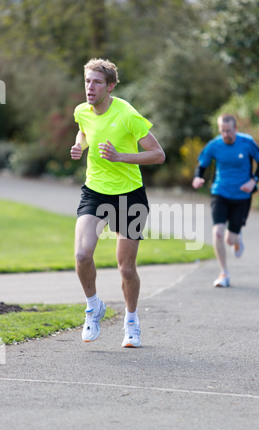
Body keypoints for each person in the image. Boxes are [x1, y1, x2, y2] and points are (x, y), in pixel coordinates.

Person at [71, 58, 165, 347]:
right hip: (95, 192)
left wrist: (121, 156)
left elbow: (158, 154)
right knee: (82, 254)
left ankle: (132, 321)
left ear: (109, 86)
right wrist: (80, 144)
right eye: (87, 81)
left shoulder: (127, 114)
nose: (90, 87)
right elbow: (86, 130)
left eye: (97, 82)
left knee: (126, 268)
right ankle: (93, 306)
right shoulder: (82, 111)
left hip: (129, 194)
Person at [192, 114, 259, 287]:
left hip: (242, 196)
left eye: (229, 131)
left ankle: (236, 238)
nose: (226, 134)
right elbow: (202, 165)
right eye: (222, 131)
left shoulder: (247, 142)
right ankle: (224, 273)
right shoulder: (214, 145)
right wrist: (197, 178)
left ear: (236, 129)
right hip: (220, 193)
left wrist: (253, 180)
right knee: (217, 232)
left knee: (229, 240)